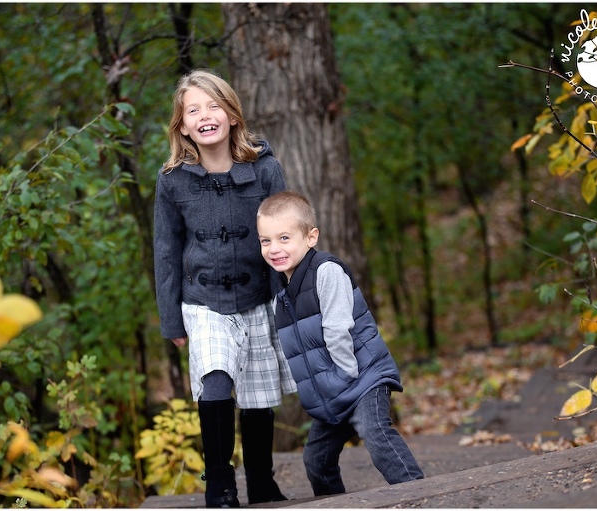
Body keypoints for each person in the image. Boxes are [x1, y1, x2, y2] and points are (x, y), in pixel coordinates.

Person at [153, 70, 297, 508]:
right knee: (214, 381)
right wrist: (170, 318)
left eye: (214, 106)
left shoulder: (265, 169)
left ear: (232, 115)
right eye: (193, 110)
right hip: (203, 301)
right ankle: (219, 482)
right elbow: (165, 250)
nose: (205, 116)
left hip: (259, 298)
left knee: (256, 393)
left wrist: (288, 301)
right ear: (182, 126)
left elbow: (285, 238)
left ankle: (260, 480)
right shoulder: (172, 181)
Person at [256, 190, 425, 496]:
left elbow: (336, 330)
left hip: (363, 381)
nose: (274, 248)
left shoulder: (327, 271)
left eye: (284, 238)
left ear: (311, 237)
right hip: (333, 396)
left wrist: (345, 375)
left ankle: (419, 494)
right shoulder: (282, 297)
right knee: (316, 460)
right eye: (265, 241)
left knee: (376, 435)